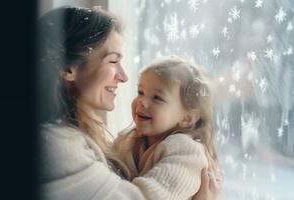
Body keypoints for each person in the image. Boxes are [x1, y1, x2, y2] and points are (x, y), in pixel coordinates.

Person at [38, 6, 221, 200]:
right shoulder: (56, 145)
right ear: (68, 68)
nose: (124, 77)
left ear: (187, 117)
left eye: (158, 97)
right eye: (112, 61)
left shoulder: (182, 149)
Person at [113, 56, 221, 199]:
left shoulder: (187, 151)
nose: (142, 102)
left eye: (157, 98)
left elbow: (149, 197)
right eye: (140, 92)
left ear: (186, 118)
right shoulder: (128, 140)